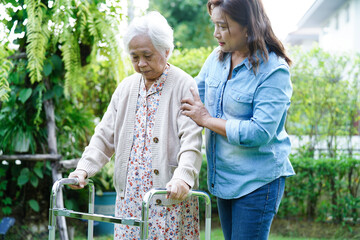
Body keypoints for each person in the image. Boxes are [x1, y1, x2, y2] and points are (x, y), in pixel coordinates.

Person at [68, 11, 203, 240]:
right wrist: (83, 168)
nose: (141, 63)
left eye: (148, 56)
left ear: (166, 51)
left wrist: (183, 177)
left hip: (168, 198)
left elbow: (191, 140)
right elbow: (104, 135)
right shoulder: (126, 88)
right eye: (134, 57)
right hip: (129, 199)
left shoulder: (183, 84)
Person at [181, 0, 295, 239]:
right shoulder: (217, 58)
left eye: (223, 26)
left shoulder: (274, 70)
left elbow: (260, 132)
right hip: (224, 179)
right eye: (215, 25)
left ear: (248, 26)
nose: (215, 33)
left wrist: (207, 120)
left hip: (257, 182)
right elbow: (191, 95)